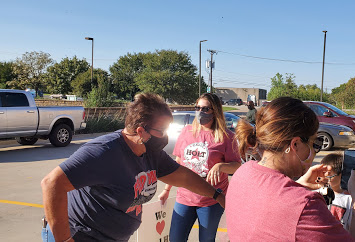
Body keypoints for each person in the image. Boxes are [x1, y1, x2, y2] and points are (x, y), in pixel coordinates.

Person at [40, 93, 225, 242]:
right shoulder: (103, 152)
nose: (165, 137)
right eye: (161, 131)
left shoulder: (152, 152)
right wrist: (64, 239)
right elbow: (51, 183)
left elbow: (184, 177)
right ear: (140, 131)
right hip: (80, 235)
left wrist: (216, 195)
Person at [227, 96, 355, 242]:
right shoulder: (306, 205)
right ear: (295, 144)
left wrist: (297, 186)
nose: (316, 150)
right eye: (314, 142)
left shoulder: (242, 173)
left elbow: (267, 206)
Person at [158, 93, 241, 242]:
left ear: (215, 111)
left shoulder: (227, 137)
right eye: (198, 108)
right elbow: (177, 165)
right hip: (185, 197)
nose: (200, 112)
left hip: (212, 200)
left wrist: (220, 166)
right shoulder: (187, 132)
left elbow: (236, 166)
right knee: (176, 238)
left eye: (205, 108)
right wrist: (166, 190)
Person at [320, 153, 353, 231]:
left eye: (329, 173)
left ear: (342, 175)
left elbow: (353, 226)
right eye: (323, 172)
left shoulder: (349, 199)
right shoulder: (318, 193)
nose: (325, 176)